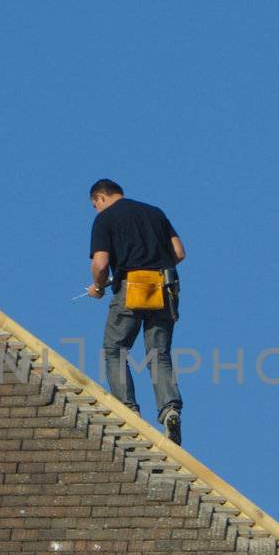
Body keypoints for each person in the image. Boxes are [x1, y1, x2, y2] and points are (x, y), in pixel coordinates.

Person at [86, 179, 186, 442]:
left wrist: (98, 286)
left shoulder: (105, 219)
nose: (97, 210)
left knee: (114, 349)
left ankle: (128, 410)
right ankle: (170, 410)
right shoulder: (155, 212)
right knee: (158, 352)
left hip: (131, 287)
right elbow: (179, 252)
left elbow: (100, 263)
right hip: (163, 286)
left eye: (95, 205)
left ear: (100, 198)